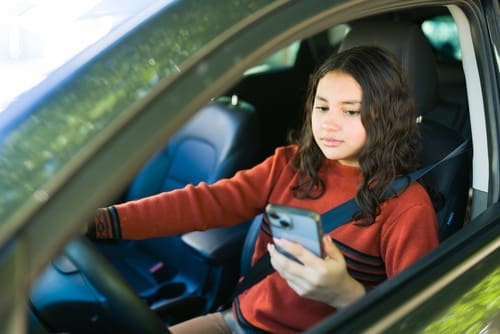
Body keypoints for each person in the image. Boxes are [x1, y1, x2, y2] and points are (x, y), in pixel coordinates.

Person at [87, 45, 439, 333]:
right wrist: (99, 222)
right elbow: (204, 203)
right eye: (322, 107)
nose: (329, 123)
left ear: (386, 117)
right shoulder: (291, 164)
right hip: (237, 322)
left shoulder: (406, 207)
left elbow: (421, 319)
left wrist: (345, 294)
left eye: (350, 112)